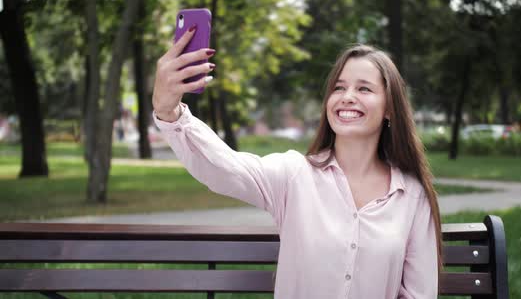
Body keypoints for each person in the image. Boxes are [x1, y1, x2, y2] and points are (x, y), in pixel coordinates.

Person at [152, 27, 442, 299]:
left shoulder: (412, 196)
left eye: (364, 89)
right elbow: (224, 167)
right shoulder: (294, 175)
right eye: (339, 88)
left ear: (390, 107)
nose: (347, 97)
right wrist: (170, 113)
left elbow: (420, 293)